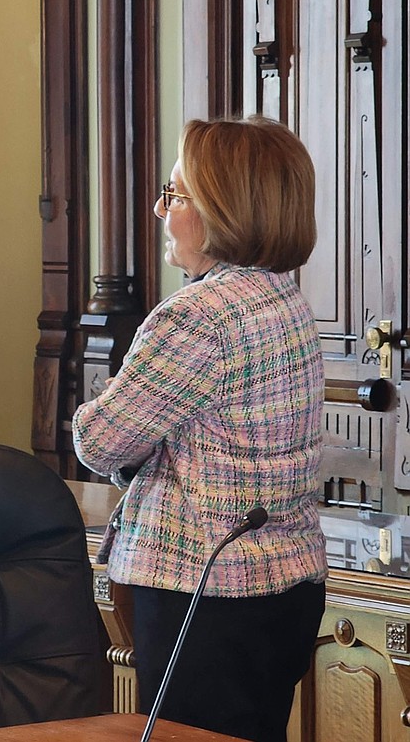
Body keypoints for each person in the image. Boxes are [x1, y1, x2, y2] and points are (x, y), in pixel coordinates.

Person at [72, 116, 327, 742]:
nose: (161, 210)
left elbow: (98, 440)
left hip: (205, 592)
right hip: (288, 586)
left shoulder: (196, 316)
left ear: (224, 212)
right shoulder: (284, 300)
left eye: (177, 195)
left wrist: (111, 409)